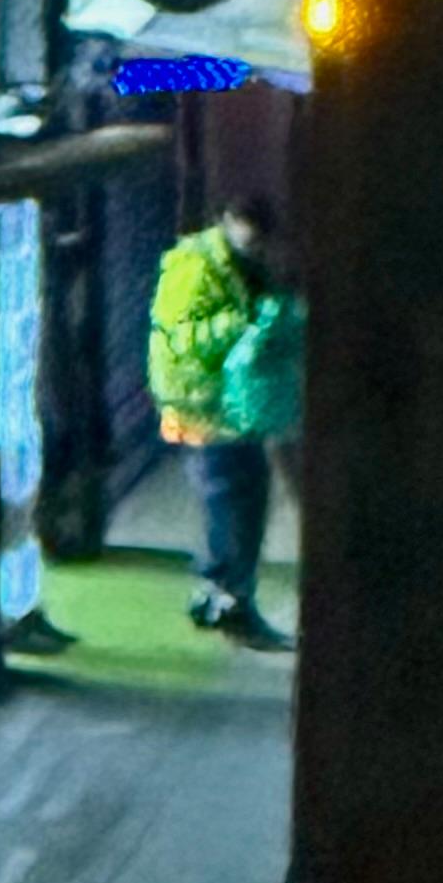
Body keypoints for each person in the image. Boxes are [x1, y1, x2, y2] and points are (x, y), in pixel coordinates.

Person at [148, 199, 295, 649]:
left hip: (220, 405)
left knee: (234, 495)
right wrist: (245, 320)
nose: (258, 248)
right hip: (200, 405)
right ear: (228, 223)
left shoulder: (235, 263)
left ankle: (220, 595)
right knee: (235, 496)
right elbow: (183, 336)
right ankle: (230, 601)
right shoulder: (196, 264)